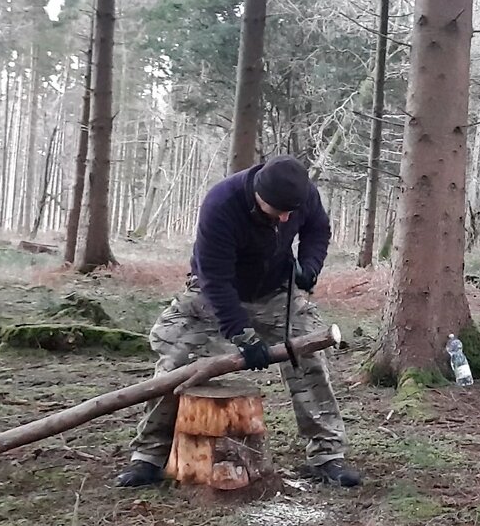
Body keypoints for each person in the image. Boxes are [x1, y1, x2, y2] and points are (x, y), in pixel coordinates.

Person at [113, 154, 362, 488]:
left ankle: (327, 455)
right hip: (212, 295)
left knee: (310, 360)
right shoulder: (222, 203)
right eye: (278, 212)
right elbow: (215, 279)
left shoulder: (303, 194)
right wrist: (242, 335)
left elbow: (318, 229)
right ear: (258, 195)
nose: (286, 218)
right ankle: (149, 456)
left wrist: (309, 266)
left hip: (275, 291)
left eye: (291, 212)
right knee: (176, 363)